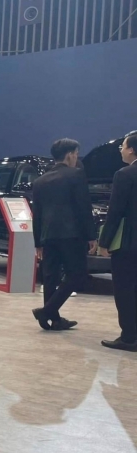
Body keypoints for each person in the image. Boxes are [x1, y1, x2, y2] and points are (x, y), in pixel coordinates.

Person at [31, 138, 98, 330]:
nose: (77, 158)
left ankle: (53, 320)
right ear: (69, 155)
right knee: (77, 275)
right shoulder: (76, 175)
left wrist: (38, 242)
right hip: (72, 234)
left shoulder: (40, 181)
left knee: (50, 277)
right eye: (76, 154)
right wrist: (91, 235)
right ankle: (46, 311)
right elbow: (83, 207)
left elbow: (37, 214)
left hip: (48, 235)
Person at [99, 131, 137, 351]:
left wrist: (104, 242)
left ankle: (129, 337)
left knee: (125, 289)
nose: (121, 150)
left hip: (129, 243)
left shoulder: (125, 174)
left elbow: (115, 212)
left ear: (131, 149)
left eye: (122, 146)